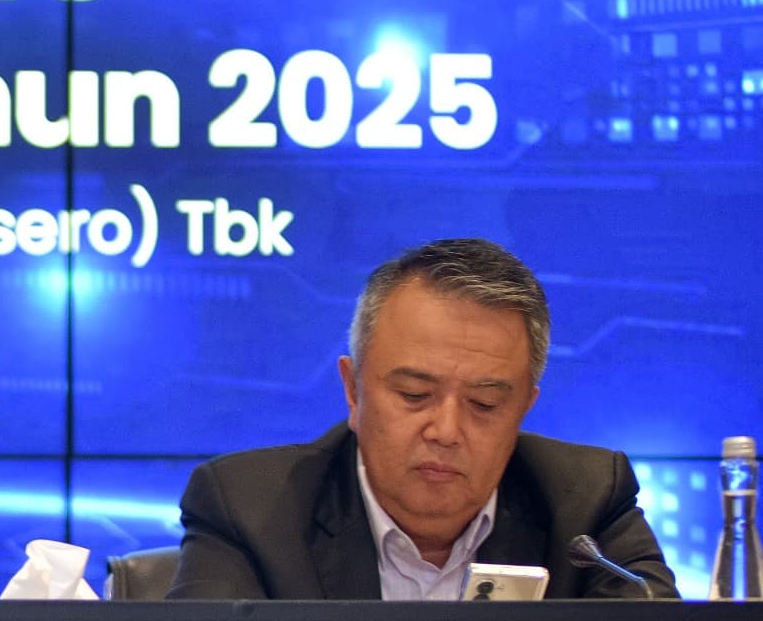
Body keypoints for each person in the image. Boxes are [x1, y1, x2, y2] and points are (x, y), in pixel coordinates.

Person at [168, 238, 673, 600]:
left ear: (524, 408)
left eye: (484, 404)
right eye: (414, 395)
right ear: (353, 391)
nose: (446, 432)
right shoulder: (249, 511)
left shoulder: (586, 507)